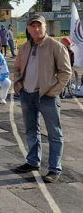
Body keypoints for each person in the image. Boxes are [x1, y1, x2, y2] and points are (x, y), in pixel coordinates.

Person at [13, 14, 72, 183]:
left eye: (39, 25)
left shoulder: (56, 46)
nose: (36, 29)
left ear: (45, 27)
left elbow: (65, 72)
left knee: (54, 134)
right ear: (28, 28)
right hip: (27, 95)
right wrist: (19, 87)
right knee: (31, 131)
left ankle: (54, 168)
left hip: (47, 96)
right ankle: (32, 162)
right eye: (33, 26)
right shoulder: (24, 48)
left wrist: (53, 92)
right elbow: (17, 68)